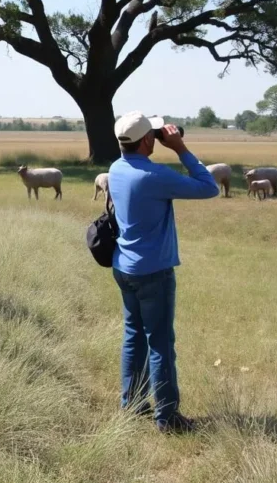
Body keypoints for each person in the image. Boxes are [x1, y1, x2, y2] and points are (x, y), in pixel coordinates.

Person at [108, 111, 219, 434]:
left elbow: (130, 150)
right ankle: (168, 418)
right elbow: (208, 186)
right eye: (152, 135)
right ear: (147, 140)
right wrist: (180, 148)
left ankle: (132, 404)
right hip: (153, 271)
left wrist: (150, 137)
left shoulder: (116, 168)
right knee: (159, 343)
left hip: (123, 265)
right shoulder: (155, 175)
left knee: (133, 336)